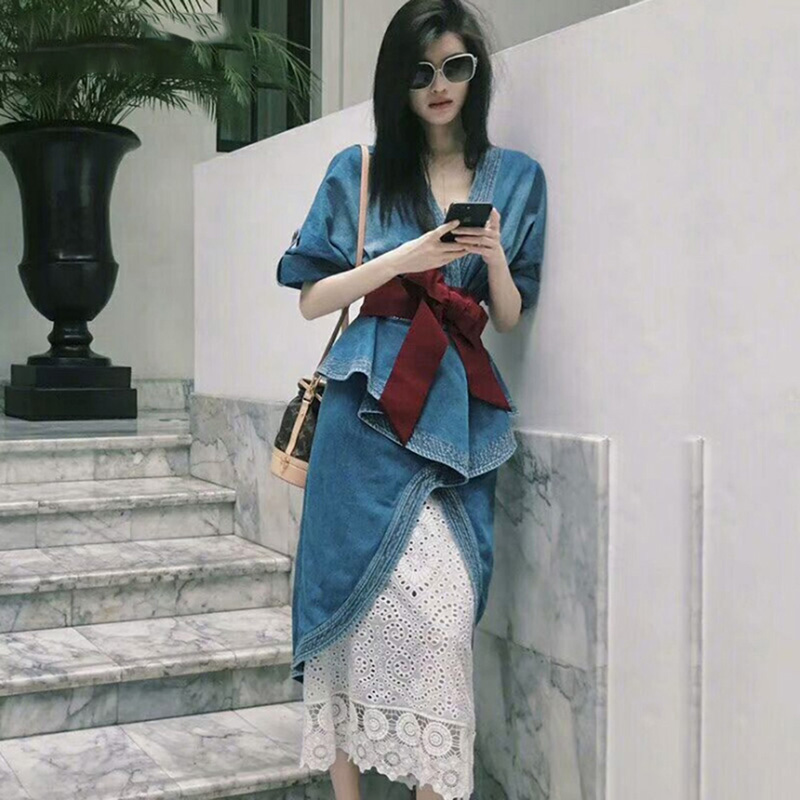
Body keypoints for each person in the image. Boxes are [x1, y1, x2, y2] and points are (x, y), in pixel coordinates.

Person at [275, 1, 547, 797]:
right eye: (420, 71)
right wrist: (404, 259)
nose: (438, 85)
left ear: (476, 74)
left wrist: (491, 257)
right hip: (365, 411)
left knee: (444, 619)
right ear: (397, 82)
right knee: (345, 603)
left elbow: (509, 316)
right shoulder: (359, 170)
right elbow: (312, 299)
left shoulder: (518, 179)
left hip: (458, 414)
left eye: (455, 66)